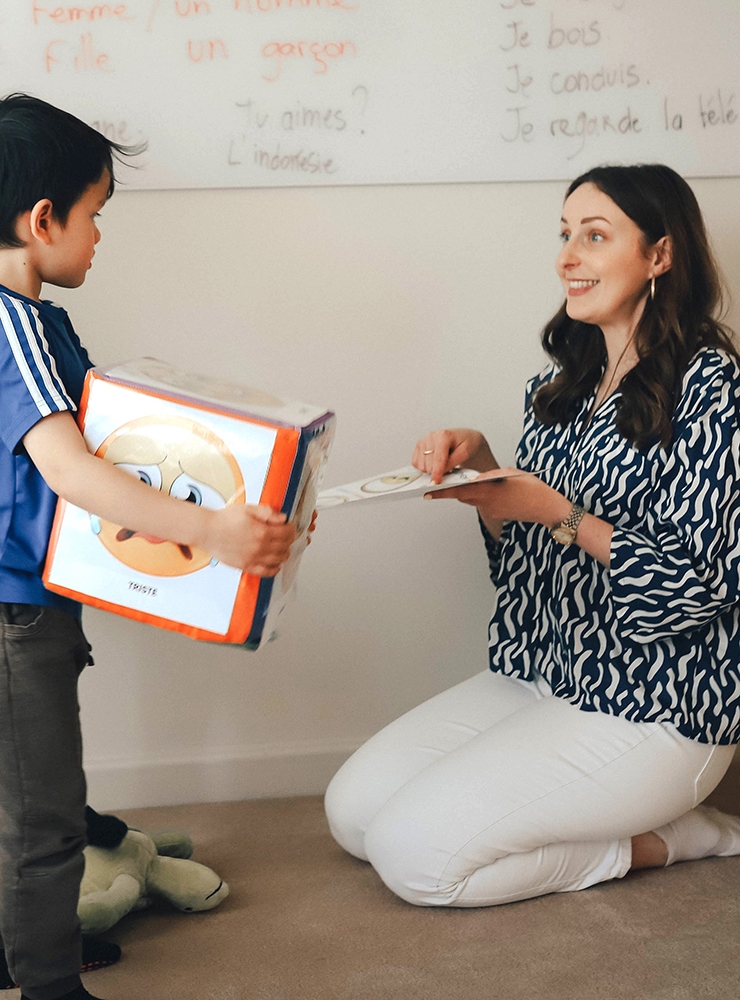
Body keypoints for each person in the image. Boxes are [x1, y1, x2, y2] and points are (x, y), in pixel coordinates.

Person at [325, 163, 740, 909]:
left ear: (661, 255)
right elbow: (527, 575)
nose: (567, 257)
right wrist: (488, 486)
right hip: (538, 674)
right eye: (564, 235)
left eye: (595, 235)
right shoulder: (556, 390)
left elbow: (698, 592)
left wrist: (560, 514)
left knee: (414, 859)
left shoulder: (715, 391)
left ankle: (679, 836)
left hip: (656, 706)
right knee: (352, 815)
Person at [0, 94, 297, 1000]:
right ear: (43, 219)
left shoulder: (37, 321)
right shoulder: (13, 324)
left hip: (31, 605)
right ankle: (48, 985)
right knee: (42, 820)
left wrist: (256, 495)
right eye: (95, 217)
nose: (100, 238)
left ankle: (22, 949)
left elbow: (122, 441)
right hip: (15, 618)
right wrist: (211, 529)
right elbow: (74, 471)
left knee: (27, 802)